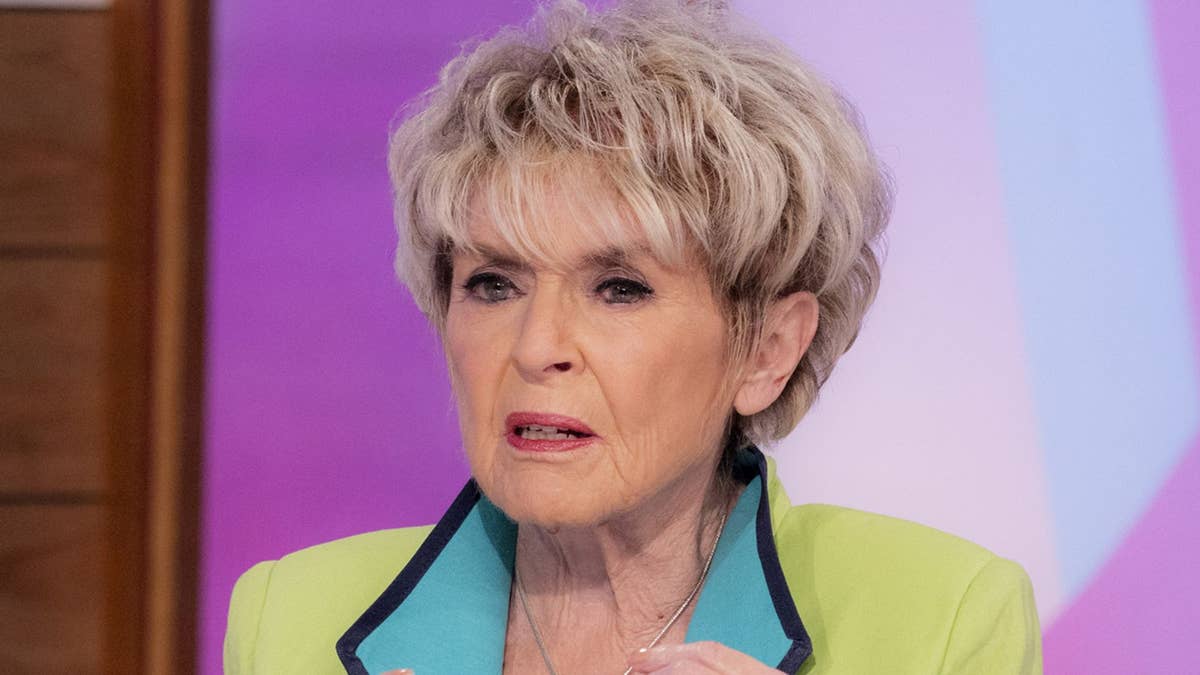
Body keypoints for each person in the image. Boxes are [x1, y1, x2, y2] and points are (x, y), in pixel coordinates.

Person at [225, 1, 1042, 673]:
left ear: (768, 349)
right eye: (493, 283)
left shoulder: (939, 622)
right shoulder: (290, 618)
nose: (536, 346)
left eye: (620, 288)